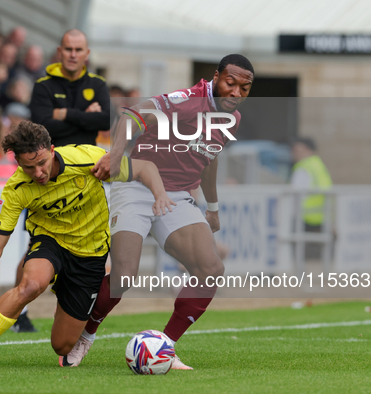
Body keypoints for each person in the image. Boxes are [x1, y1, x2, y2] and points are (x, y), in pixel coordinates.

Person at [63, 54, 255, 370]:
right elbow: (131, 117)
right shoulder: (185, 101)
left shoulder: (231, 117)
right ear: (216, 76)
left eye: (244, 88)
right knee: (124, 276)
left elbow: (210, 157)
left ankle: (163, 347)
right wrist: (115, 154)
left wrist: (213, 207)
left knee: (211, 270)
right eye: (230, 83)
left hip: (177, 197)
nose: (235, 93)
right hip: (137, 185)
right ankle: (87, 334)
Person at [0, 120, 175, 369]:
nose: (38, 173)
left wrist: (160, 196)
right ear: (18, 163)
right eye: (29, 167)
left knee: (62, 346)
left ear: (51, 151)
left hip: (90, 252)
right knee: (30, 285)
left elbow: (145, 168)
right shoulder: (16, 188)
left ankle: (78, 320)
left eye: (42, 163)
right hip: (50, 242)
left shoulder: (87, 158)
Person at [29, 29, 109, 147]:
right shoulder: (43, 85)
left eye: (78, 50)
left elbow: (107, 121)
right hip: (54, 160)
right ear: (59, 52)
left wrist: (66, 114)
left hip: (88, 160)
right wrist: (86, 116)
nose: (73, 55)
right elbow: (42, 129)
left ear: (87, 54)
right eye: (68, 49)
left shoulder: (98, 84)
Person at [290, 137, 333, 231]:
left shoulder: (303, 168)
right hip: (321, 217)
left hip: (304, 217)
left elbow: (295, 194)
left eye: (297, 150)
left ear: (307, 149)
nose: (294, 153)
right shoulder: (318, 164)